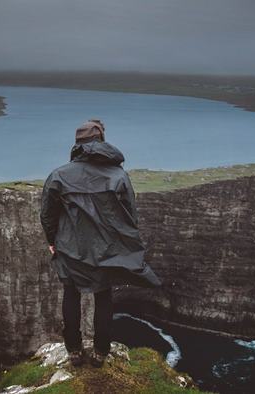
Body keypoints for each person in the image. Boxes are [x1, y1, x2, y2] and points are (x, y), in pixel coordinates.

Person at [40, 119, 162, 368]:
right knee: (103, 296)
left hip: (70, 248)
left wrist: (52, 241)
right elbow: (131, 216)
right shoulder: (118, 175)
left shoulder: (59, 175)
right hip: (106, 251)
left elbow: (47, 214)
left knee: (71, 294)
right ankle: (100, 352)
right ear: (101, 142)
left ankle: (73, 350)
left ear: (78, 145)